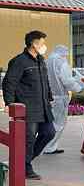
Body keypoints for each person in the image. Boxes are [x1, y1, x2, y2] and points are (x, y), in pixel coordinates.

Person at [2, 30, 56, 180]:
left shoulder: (41, 60)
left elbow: (45, 81)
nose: (45, 46)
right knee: (29, 139)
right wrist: (9, 102)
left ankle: (22, 162)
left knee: (49, 133)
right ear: (34, 43)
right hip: (28, 107)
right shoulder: (19, 61)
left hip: (43, 107)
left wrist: (50, 96)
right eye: (42, 42)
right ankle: (25, 167)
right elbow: (9, 82)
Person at [43, 45, 84, 155]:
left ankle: (45, 145)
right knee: (59, 123)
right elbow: (67, 81)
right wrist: (80, 89)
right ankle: (50, 147)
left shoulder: (47, 61)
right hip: (60, 97)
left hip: (48, 96)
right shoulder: (61, 63)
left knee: (49, 122)